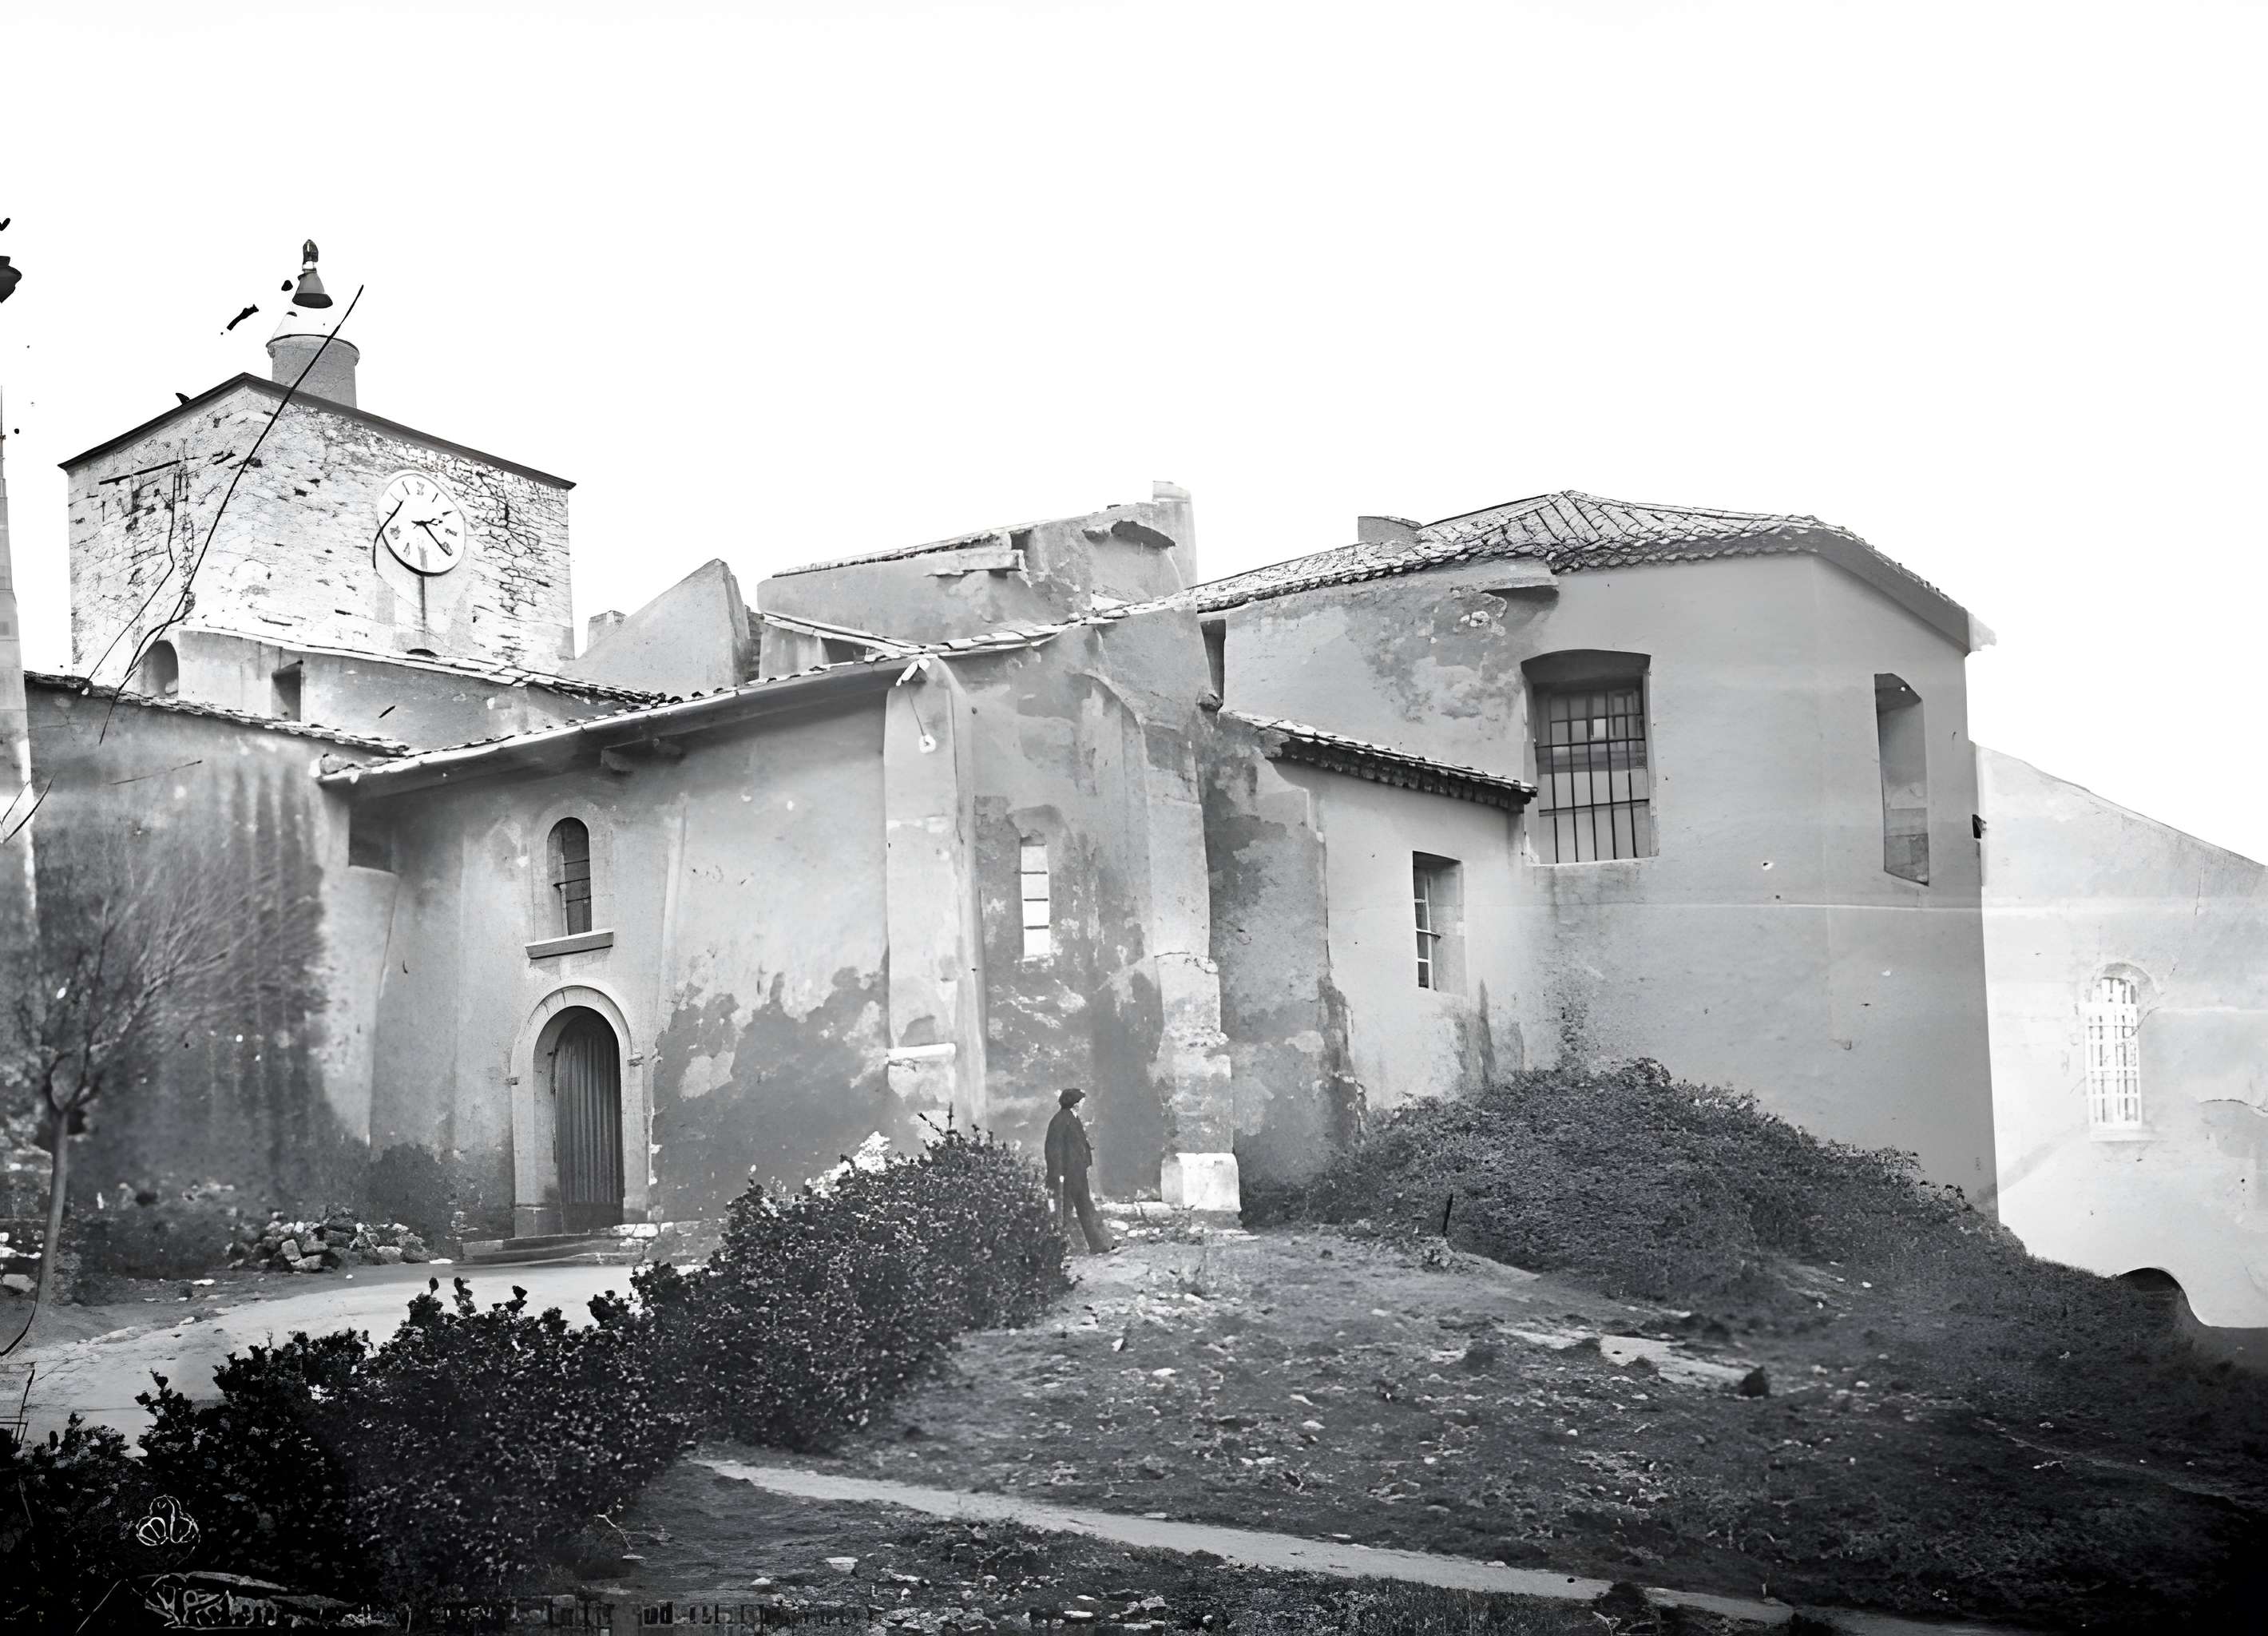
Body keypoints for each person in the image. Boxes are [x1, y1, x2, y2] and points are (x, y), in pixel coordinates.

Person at [1044, 1087, 1115, 1254]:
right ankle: (1059, 1249)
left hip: (1077, 1172)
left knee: (1084, 1207)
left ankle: (1100, 1245)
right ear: (1075, 1104)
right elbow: (1054, 1149)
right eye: (1081, 1101)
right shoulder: (1061, 1120)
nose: (1083, 1104)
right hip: (1067, 1174)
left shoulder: (1072, 1118)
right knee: (1064, 1210)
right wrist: (1058, 1174)